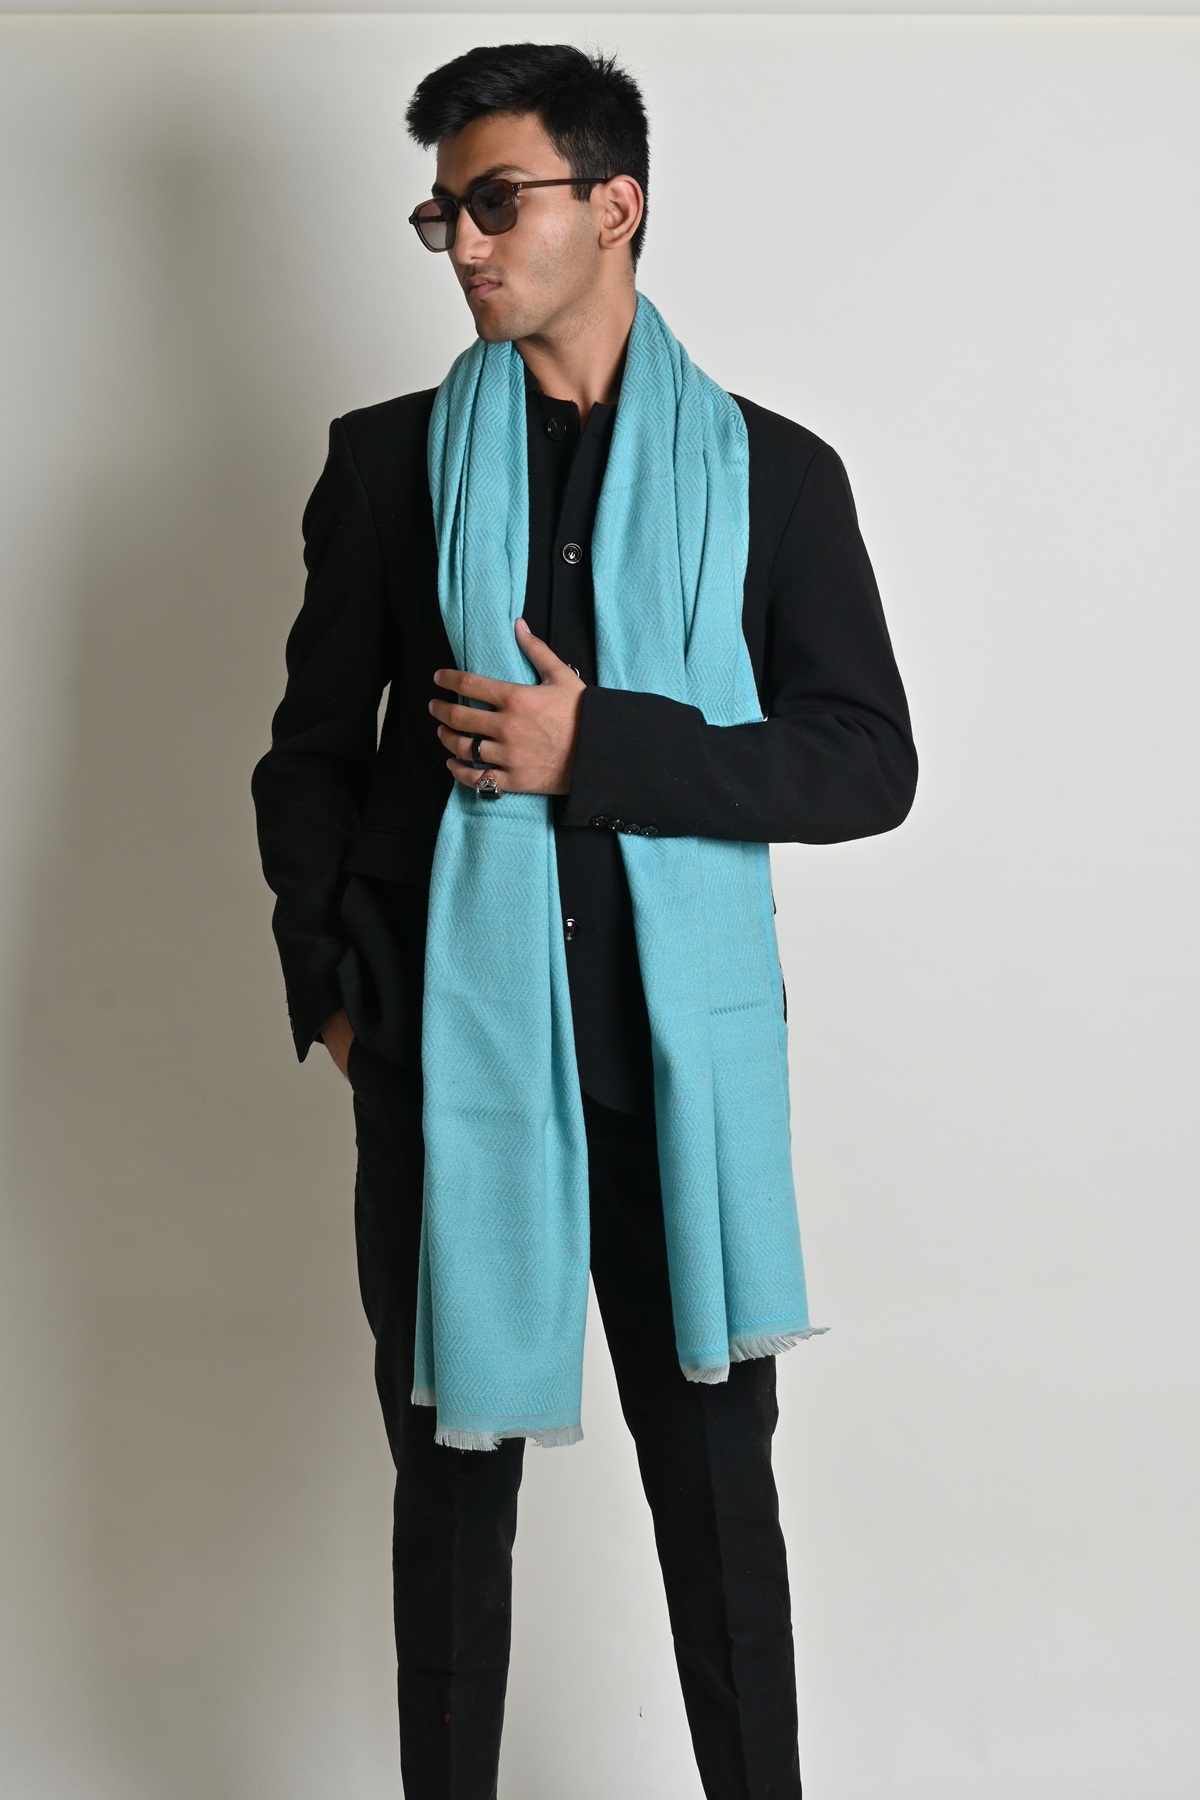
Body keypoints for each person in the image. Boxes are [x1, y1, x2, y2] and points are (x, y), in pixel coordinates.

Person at [251, 41, 916, 1800]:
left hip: (670, 1078)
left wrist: (596, 746)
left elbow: (866, 761)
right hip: (448, 1071)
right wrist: (341, 999)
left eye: (497, 202)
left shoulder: (773, 475)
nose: (464, 245)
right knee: (449, 1509)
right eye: (442, 216)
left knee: (719, 1512)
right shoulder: (389, 465)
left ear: (615, 205)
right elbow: (310, 757)